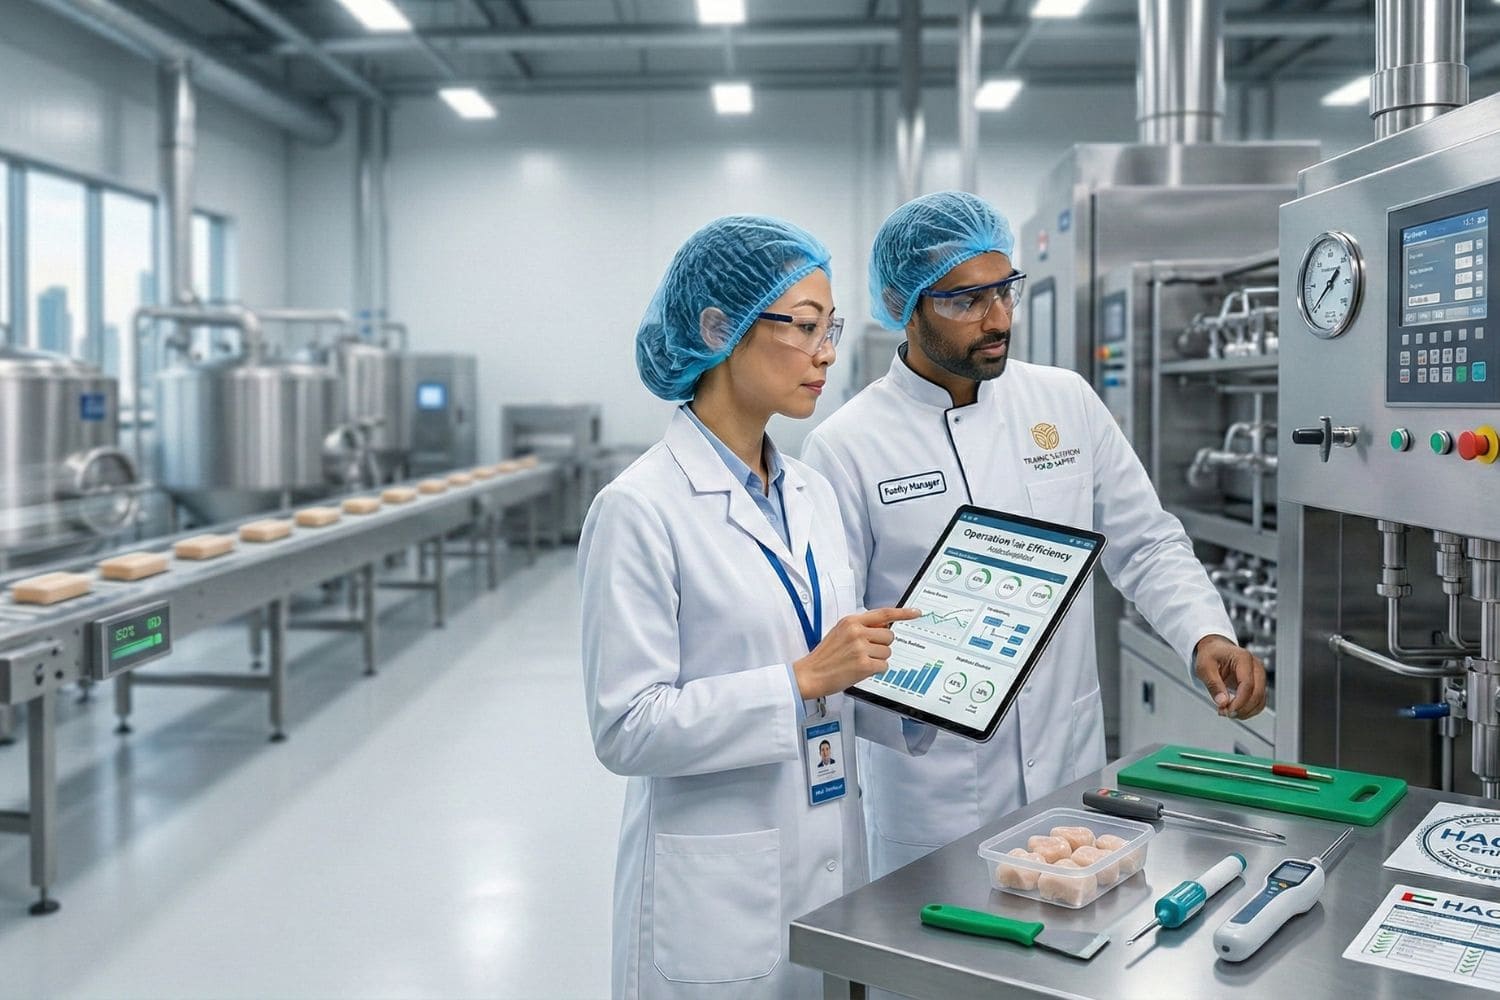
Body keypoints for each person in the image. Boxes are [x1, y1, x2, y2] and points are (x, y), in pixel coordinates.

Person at [801, 191, 1266, 878]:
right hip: (932, 785)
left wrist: (1206, 632)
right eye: (966, 301)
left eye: (1006, 291)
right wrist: (911, 705)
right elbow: (832, 637)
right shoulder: (846, 446)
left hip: (1064, 760)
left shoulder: (1063, 401)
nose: (997, 319)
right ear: (906, 305)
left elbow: (1144, 540)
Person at [579, 215, 930, 999]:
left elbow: (829, 664)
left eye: (830, 327)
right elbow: (626, 726)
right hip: (713, 893)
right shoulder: (639, 508)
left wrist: (923, 696)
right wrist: (797, 681)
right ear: (718, 327)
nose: (828, 354)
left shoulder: (807, 491)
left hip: (829, 858)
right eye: (804, 327)